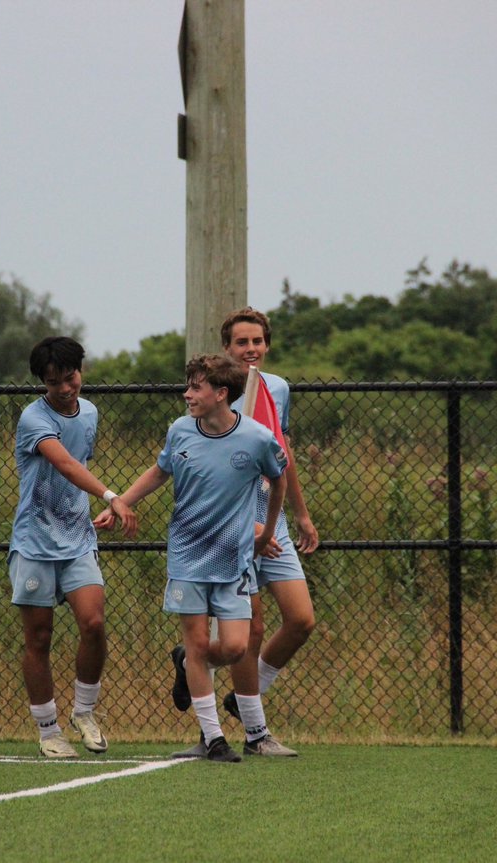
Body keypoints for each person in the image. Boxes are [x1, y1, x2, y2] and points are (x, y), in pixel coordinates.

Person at [98, 354, 286, 763]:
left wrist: (267, 531)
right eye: (188, 386)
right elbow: (159, 471)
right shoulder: (180, 431)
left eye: (196, 387)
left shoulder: (256, 438)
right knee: (199, 643)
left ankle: (186, 663)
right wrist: (120, 503)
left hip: (233, 559)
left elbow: (279, 479)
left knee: (236, 647)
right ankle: (214, 738)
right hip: (186, 556)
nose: (187, 394)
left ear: (221, 394)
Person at [8, 336, 137, 758]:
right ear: (42, 383)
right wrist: (111, 498)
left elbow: (78, 470)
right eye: (54, 382)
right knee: (39, 638)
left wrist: (93, 506)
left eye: (71, 377)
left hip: (78, 538)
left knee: (94, 623)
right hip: (34, 543)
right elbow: (63, 461)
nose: (65, 388)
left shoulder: (91, 413)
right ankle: (49, 731)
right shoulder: (33, 418)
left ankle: (85, 713)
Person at [215, 306, 319, 757]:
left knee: (300, 620)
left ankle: (242, 696)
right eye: (242, 342)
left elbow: (282, 453)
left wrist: (300, 513)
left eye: (257, 341)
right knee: (251, 627)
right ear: (227, 349)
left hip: (272, 517)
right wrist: (249, 524)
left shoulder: (277, 388)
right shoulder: (216, 394)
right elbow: (211, 468)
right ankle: (257, 734)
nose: (251, 349)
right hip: (233, 524)